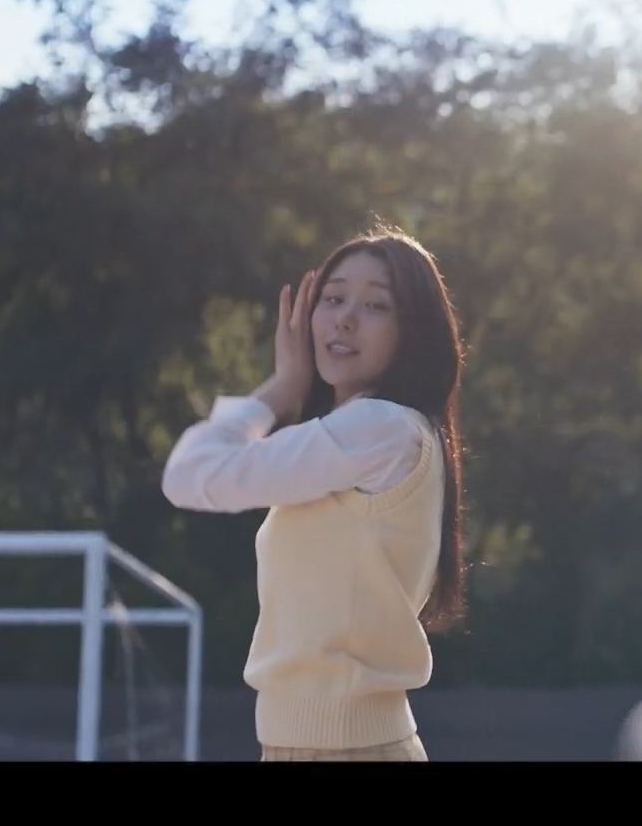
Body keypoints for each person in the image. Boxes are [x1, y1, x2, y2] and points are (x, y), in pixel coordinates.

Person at [162, 223, 466, 762]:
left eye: (376, 305)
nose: (345, 318)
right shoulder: (360, 435)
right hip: (310, 744)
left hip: (348, 746)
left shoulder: (382, 428)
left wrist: (282, 388)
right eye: (333, 298)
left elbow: (191, 474)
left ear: (413, 331)